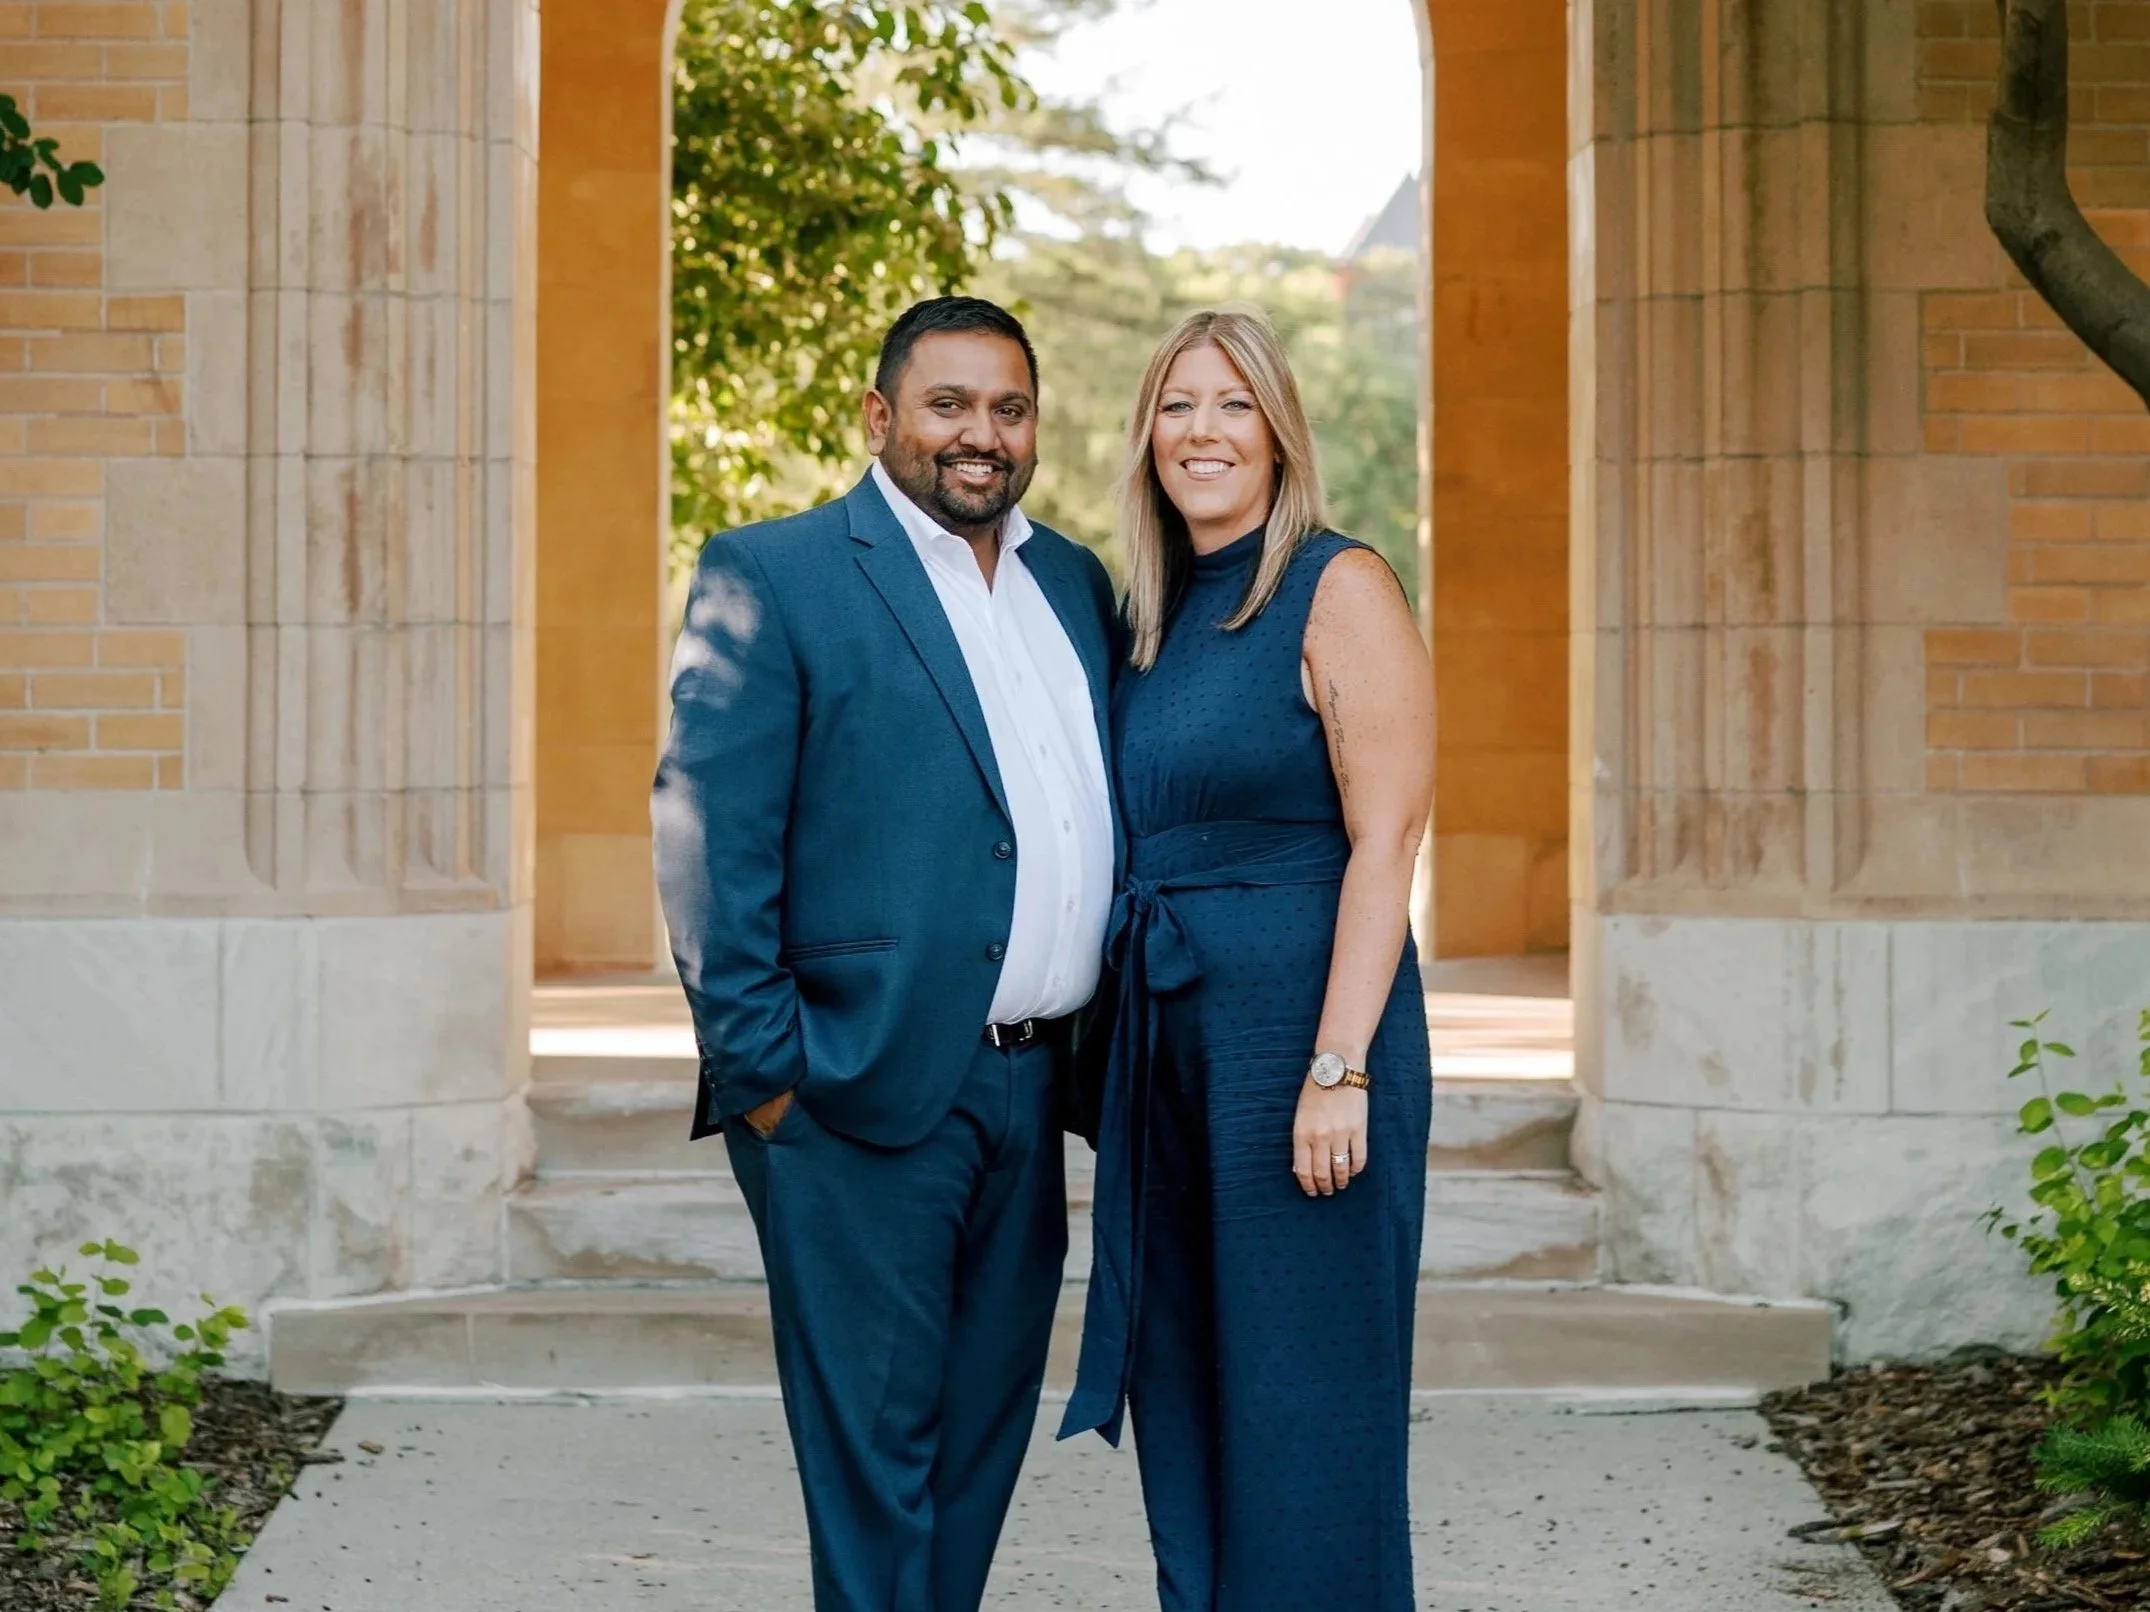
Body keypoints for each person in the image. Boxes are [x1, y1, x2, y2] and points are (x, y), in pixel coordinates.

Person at [652, 296, 1119, 1612]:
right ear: (880, 418)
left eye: (1009, 408)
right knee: (874, 1458)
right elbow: (707, 837)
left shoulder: (1071, 585)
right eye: (949, 405)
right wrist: (765, 1079)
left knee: (978, 1439)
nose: (982, 434)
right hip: (852, 1088)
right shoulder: (780, 572)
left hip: (1030, 1090)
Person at [1059, 306, 1436, 1611]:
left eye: (1232, 405)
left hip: (1301, 1039)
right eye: (1177, 404)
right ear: (1144, 438)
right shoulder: (1145, 622)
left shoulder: (1339, 586)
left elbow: (1384, 841)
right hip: (1170, 1043)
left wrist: (1336, 1068)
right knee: (1185, 1378)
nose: (1202, 431)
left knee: (1301, 1394)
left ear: (1279, 436)